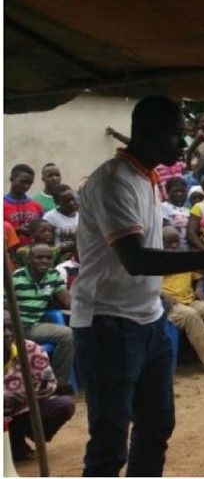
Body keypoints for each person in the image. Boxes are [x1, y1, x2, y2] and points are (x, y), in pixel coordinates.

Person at [72, 95, 204, 476]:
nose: (182, 144)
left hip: (147, 322)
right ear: (147, 133)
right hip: (107, 325)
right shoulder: (113, 181)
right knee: (110, 443)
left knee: (155, 428)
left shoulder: (146, 178)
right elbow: (138, 260)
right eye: (175, 135)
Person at [4, 307, 77, 462]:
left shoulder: (30, 349)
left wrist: (33, 394)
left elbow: (49, 383)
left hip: (22, 409)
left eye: (10, 327)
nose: (7, 333)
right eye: (1, 328)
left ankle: (17, 441)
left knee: (63, 404)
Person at [160, 226, 204, 372]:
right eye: (169, 242)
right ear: (161, 242)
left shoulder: (183, 258)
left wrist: (199, 290)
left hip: (190, 301)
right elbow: (153, 288)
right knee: (191, 316)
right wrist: (167, 297)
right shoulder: (157, 262)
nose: (174, 246)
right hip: (170, 305)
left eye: (176, 242)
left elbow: (197, 279)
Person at [10, 242, 75, 393]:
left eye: (48, 258)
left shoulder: (53, 275)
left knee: (67, 335)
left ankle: (59, 385)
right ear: (29, 260)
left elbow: (67, 300)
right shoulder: (16, 277)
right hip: (12, 329)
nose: (45, 261)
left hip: (33, 326)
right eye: (39, 257)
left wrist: (83, 307)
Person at [6, 164, 44, 246]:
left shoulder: (36, 206)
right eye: (23, 182)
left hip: (33, 254)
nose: (26, 186)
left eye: (30, 183)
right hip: (9, 253)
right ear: (12, 179)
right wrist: (16, 231)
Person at [44, 185, 80, 249]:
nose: (71, 203)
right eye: (66, 201)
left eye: (72, 199)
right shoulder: (49, 218)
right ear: (57, 202)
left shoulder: (81, 214)